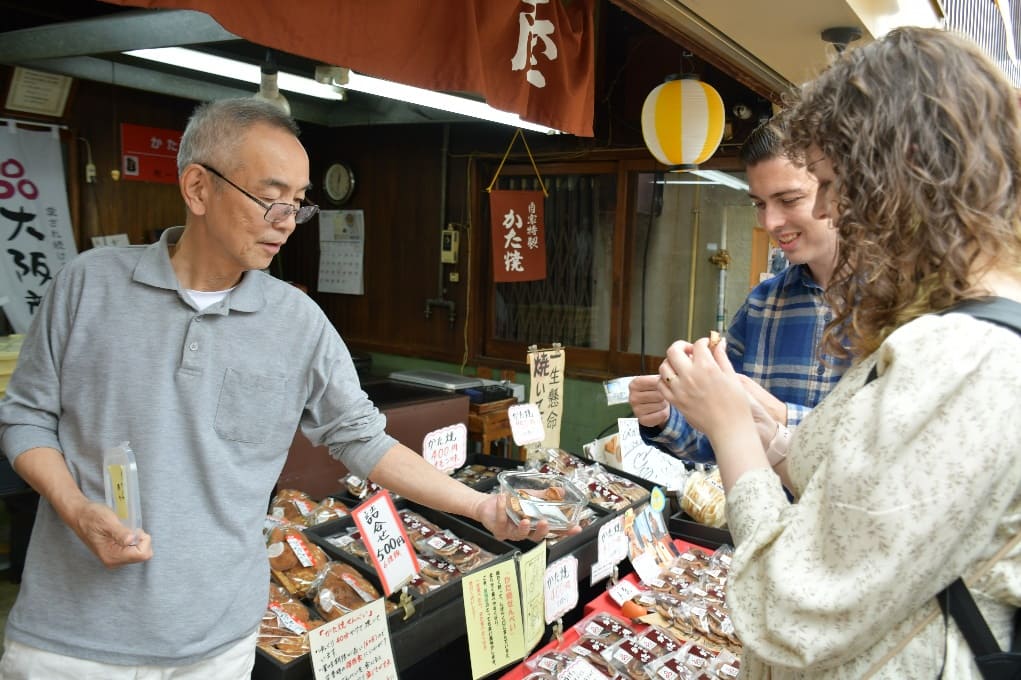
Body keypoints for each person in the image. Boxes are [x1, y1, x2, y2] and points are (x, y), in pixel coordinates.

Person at [0, 98, 550, 679]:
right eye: (270, 198)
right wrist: (75, 508)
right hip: (68, 642)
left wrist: (482, 506)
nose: (286, 220)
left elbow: (362, 439)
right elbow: (26, 419)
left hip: (218, 646)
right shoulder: (88, 285)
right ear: (197, 188)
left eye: (298, 203)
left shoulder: (297, 321)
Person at [659, 27, 1021, 678]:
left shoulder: (963, 355)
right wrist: (769, 434)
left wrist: (732, 430)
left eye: (829, 182)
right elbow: (854, 491)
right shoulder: (955, 323)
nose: (826, 206)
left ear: (903, 170)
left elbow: (786, 611)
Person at [628, 115, 848, 463]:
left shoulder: (905, 305)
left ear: (839, 189)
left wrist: (779, 416)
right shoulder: (764, 303)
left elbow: (896, 455)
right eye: (759, 204)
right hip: (762, 516)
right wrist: (667, 417)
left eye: (789, 199)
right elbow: (717, 439)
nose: (770, 223)